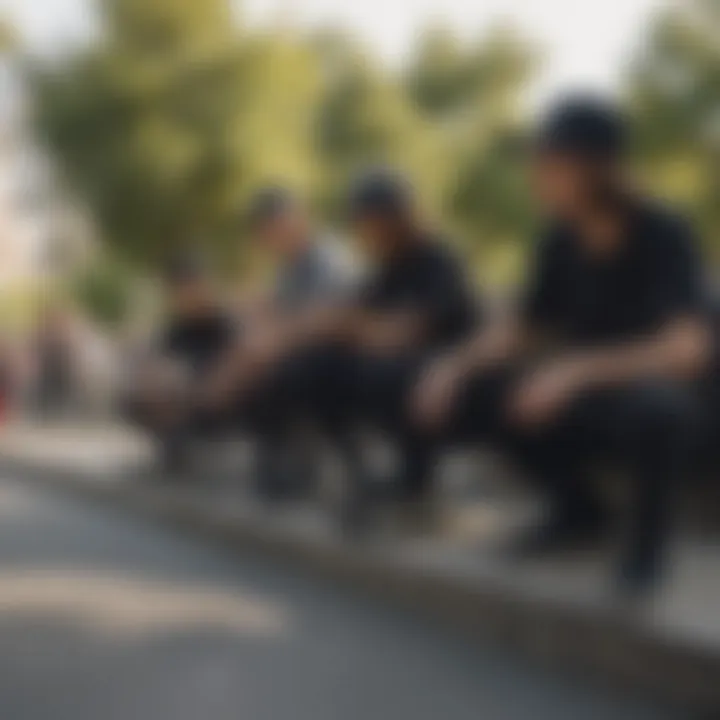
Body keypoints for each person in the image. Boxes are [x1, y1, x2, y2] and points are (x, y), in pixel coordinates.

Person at [412, 95, 711, 595]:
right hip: (595, 396)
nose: (535, 175)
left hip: (678, 403)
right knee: (484, 393)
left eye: (550, 163)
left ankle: (645, 552)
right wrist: (450, 367)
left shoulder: (664, 231)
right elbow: (519, 329)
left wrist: (572, 372)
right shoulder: (559, 239)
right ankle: (577, 510)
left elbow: (686, 351)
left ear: (597, 169)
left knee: (655, 408)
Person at [207, 169, 480, 530]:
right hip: (389, 362)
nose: (364, 231)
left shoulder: (439, 260)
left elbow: (405, 330)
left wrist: (345, 326)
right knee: (308, 370)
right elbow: (354, 316)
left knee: (383, 374)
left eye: (370, 221)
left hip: (443, 371)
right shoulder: (386, 268)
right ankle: (357, 471)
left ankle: (418, 483)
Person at [204, 187, 355, 500]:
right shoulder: (291, 267)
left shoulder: (328, 258)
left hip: (335, 354)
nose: (268, 241)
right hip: (301, 350)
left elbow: (325, 320)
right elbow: (276, 309)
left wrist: (268, 340)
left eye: (270, 230)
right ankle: (264, 452)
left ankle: (292, 463)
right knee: (243, 356)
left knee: (260, 364)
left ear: (293, 220)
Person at [125, 253, 236, 475]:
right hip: (180, 386)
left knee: (169, 380)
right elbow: (161, 354)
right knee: (146, 382)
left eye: (189, 286)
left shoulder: (222, 321)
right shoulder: (177, 326)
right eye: (179, 289)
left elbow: (231, 362)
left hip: (215, 389)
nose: (184, 295)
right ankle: (173, 441)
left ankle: (182, 440)